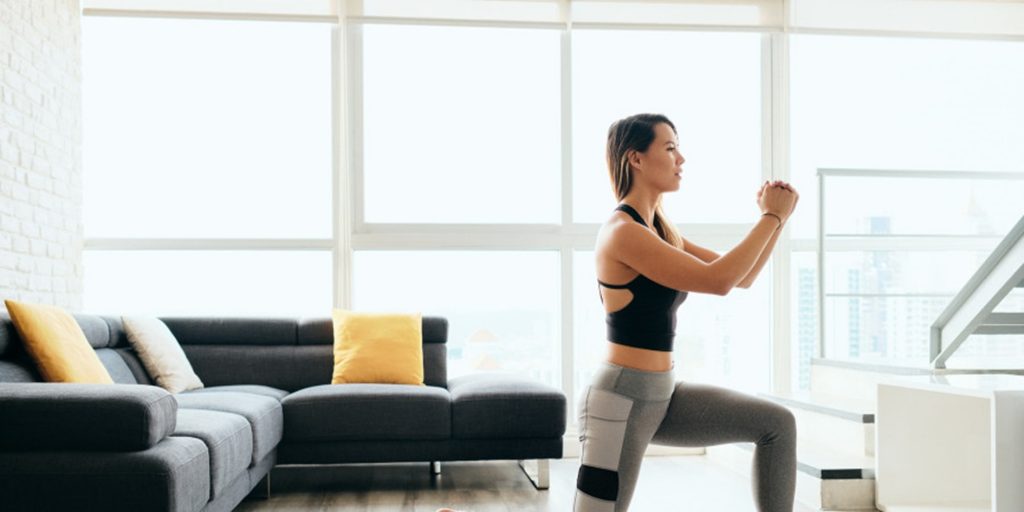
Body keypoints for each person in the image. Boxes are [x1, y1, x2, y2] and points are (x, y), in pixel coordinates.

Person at [573, 113, 799, 512]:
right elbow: (719, 280)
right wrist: (771, 216)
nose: (681, 159)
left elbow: (741, 278)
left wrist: (777, 220)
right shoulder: (623, 232)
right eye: (670, 147)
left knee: (776, 425)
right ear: (636, 159)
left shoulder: (660, 228)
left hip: (663, 395)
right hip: (620, 400)